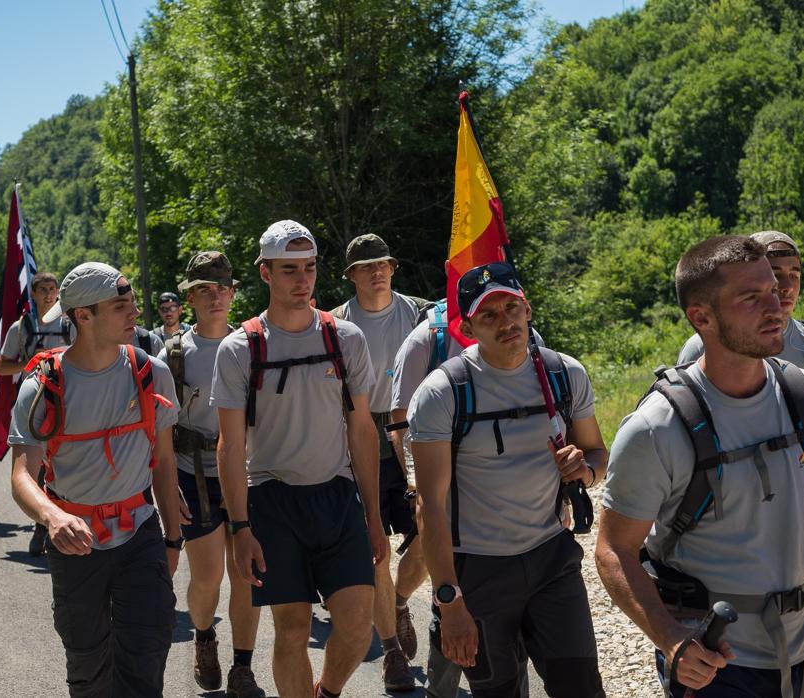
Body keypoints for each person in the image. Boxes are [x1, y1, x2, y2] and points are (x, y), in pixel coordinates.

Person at [596, 235, 804, 698]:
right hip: (713, 663)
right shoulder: (657, 428)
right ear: (701, 317)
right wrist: (672, 641)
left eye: (773, 290)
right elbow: (613, 550)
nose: (776, 307)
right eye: (751, 298)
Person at [408, 263, 607, 697]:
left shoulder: (563, 375)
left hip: (552, 560)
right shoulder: (442, 393)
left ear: (527, 307)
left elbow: (598, 455)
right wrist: (449, 600)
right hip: (478, 570)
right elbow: (430, 506)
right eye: (489, 315)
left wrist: (585, 468)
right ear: (468, 327)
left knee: (583, 690)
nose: (506, 322)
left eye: (511, 307)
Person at [212, 220, 387, 698]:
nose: (302, 280)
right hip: (272, 499)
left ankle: (325, 693)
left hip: (335, 496)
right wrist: (239, 528)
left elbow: (363, 430)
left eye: (308, 268)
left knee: (357, 626)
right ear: (265, 273)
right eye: (289, 270)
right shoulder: (240, 349)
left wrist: (373, 516)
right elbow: (228, 446)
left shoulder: (345, 339)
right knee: (292, 628)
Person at [8, 262, 184, 697]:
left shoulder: (151, 372)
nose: (135, 314)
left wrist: (173, 539)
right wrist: (52, 517)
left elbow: (162, 461)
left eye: (132, 303)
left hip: (139, 533)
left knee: (146, 656)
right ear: (83, 316)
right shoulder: (43, 386)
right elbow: (22, 476)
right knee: (88, 667)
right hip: (75, 544)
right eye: (121, 306)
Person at [161, 252, 266, 698]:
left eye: (222, 288)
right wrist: (167, 493)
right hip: (194, 476)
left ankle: (243, 665)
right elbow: (160, 430)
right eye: (204, 289)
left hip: (246, 472)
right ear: (190, 297)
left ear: (233, 293)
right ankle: (204, 636)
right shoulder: (173, 354)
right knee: (207, 576)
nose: (215, 296)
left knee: (247, 574)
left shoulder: (251, 344)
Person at [330, 233, 426, 691]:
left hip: (414, 434)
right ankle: (391, 651)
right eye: (367, 266)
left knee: (434, 531)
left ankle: (401, 600)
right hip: (361, 434)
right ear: (351, 276)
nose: (378, 271)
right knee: (377, 549)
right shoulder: (334, 325)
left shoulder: (422, 314)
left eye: (384, 263)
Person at [0, 272, 76, 555]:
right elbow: (2, 368)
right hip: (33, 400)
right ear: (32, 294)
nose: (48, 294)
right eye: (42, 289)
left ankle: (57, 521)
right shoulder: (21, 327)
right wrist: (30, 361)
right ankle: (41, 525)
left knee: (61, 460)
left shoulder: (71, 323)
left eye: (53, 289)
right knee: (36, 464)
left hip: (66, 397)